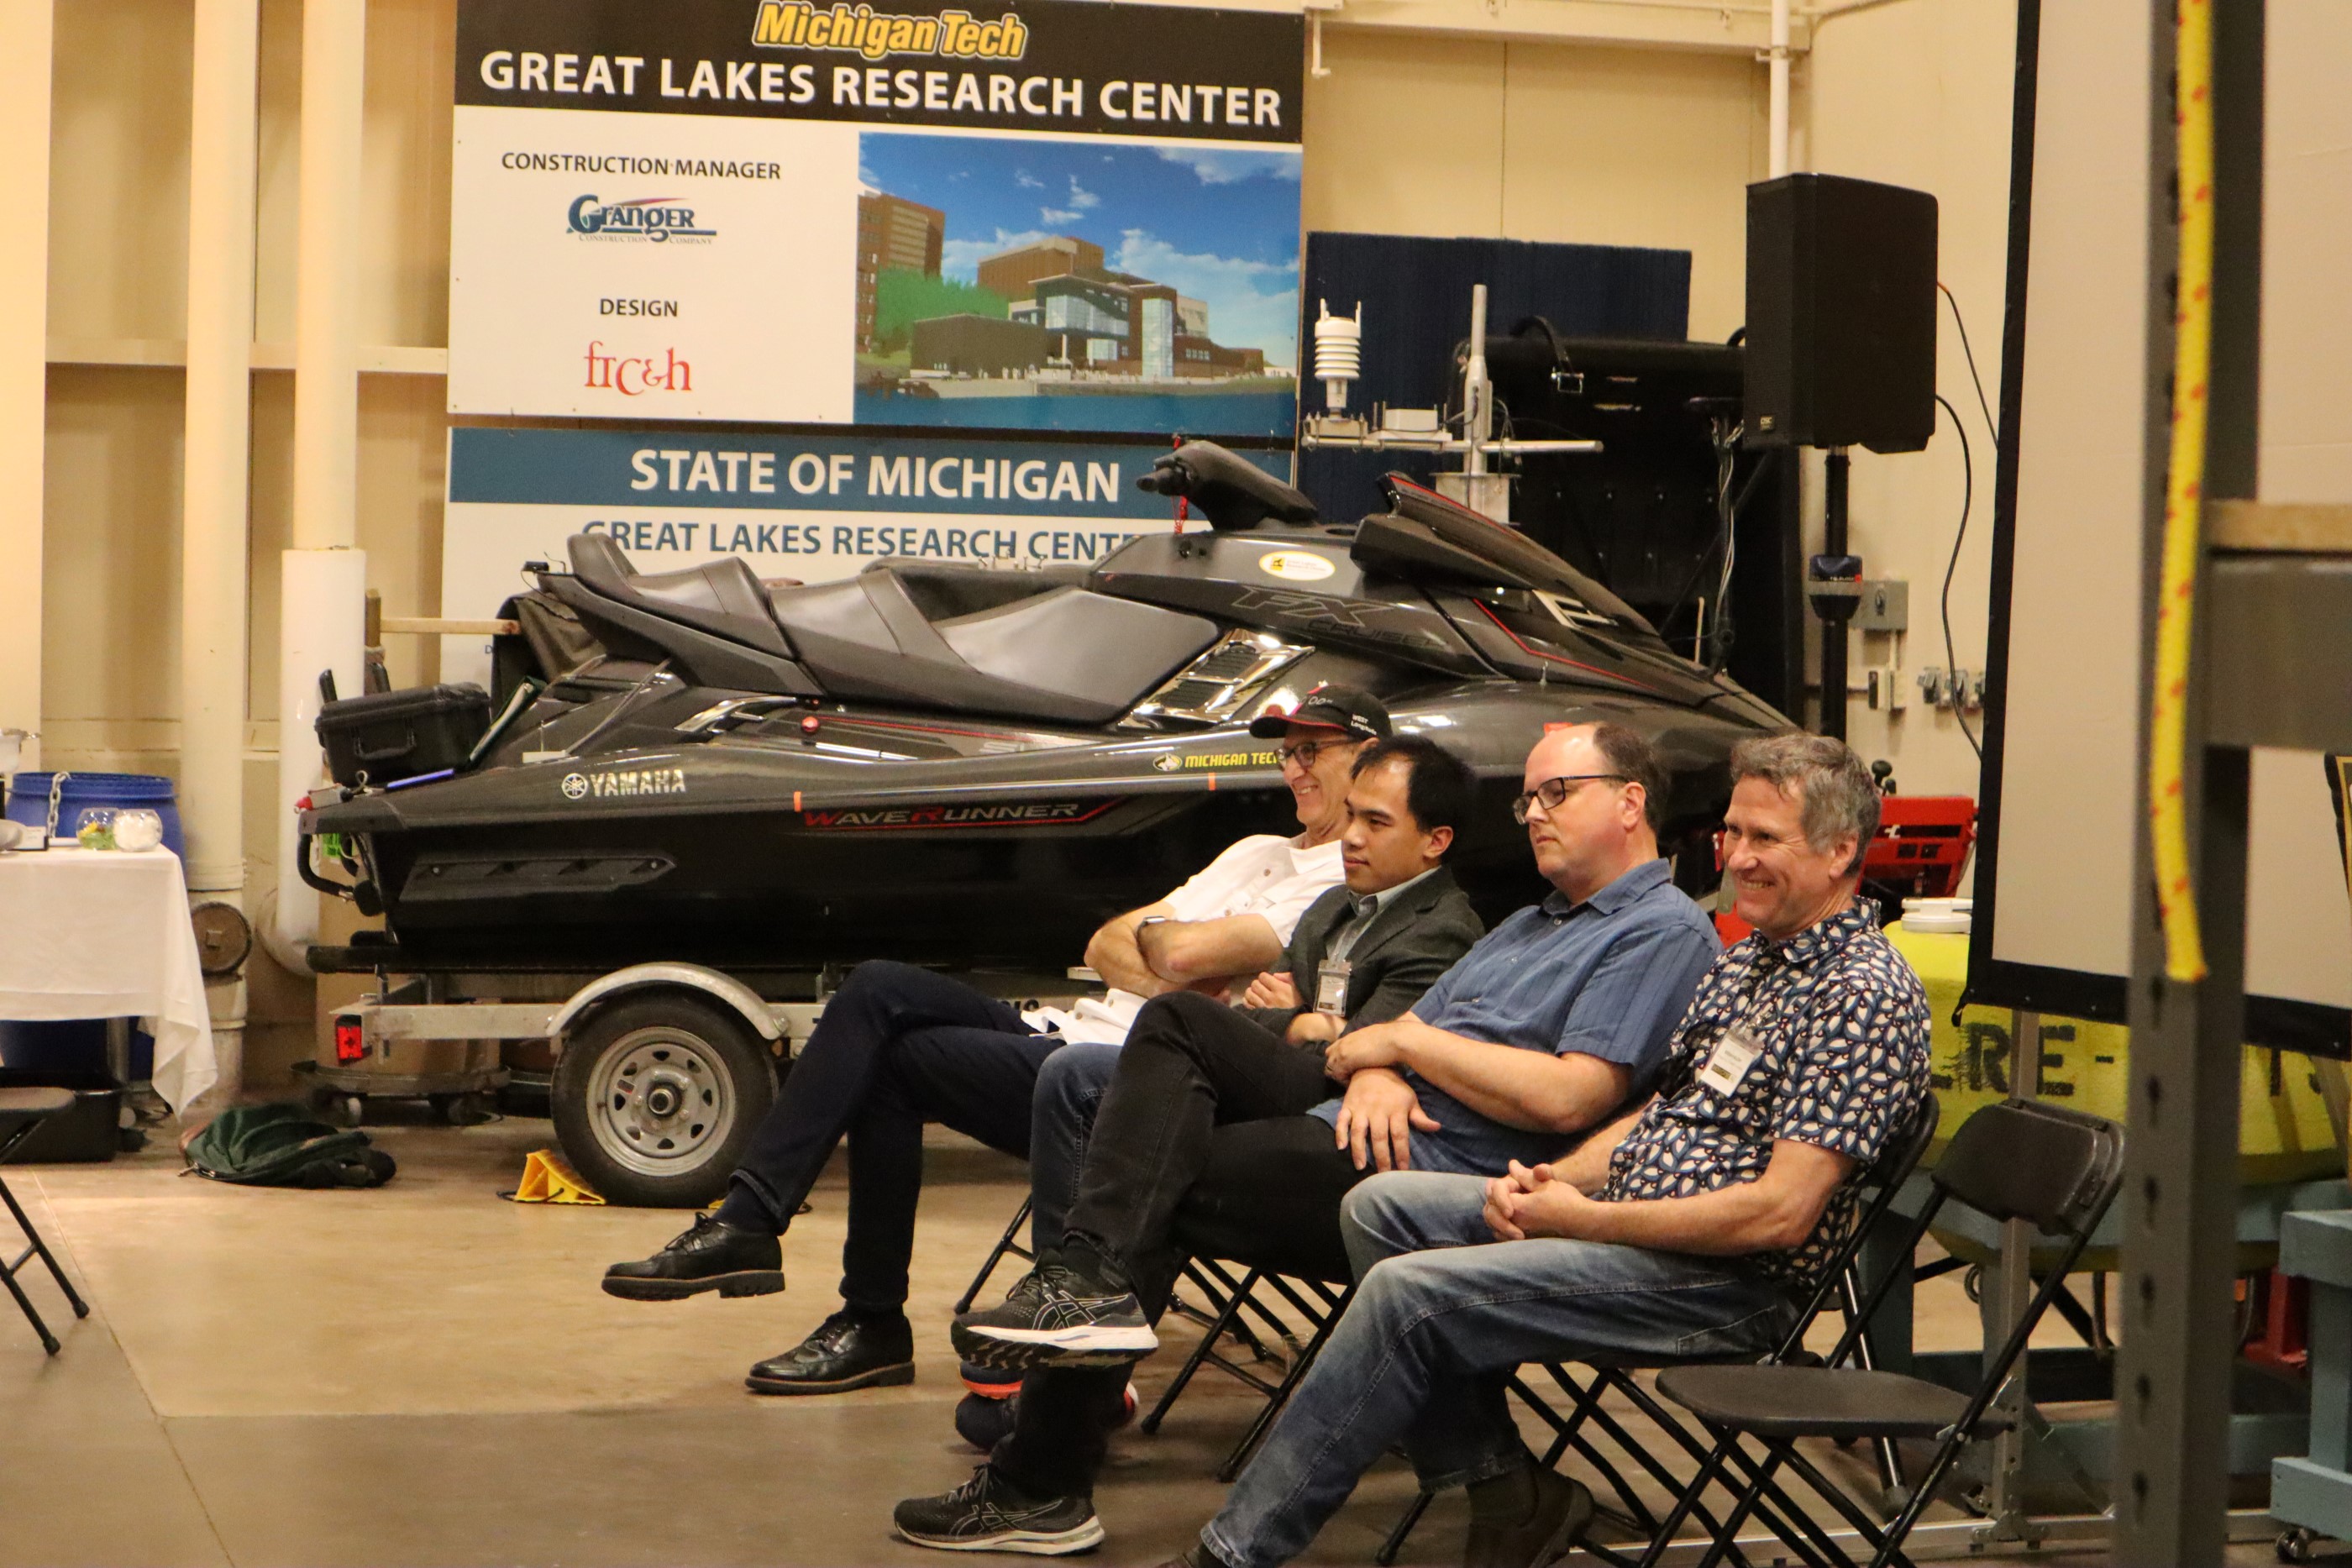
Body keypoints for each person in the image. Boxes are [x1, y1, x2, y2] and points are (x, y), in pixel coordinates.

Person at [889, 721, 1724, 1556]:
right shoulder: (1531, 921)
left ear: (1630, 801)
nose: (1533, 814)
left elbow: (1572, 1096)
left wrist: (1398, 1048)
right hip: (1358, 1109)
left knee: (1145, 1175)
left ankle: (1040, 1470)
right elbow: (1400, 1030)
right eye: (1528, 796)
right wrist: (1380, 1064)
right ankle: (1081, 1318)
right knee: (1173, 1026)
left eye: (1557, 793)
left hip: (1432, 1168)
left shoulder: (1658, 929)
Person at [1160, 732, 1935, 1568]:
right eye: (1731, 834)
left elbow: (1781, 1214)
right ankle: (1505, 1492)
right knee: (1381, 1206)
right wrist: (1550, 1180)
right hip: (1627, 1222)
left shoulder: (1862, 995)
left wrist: (1590, 1221)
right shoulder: (1751, 959)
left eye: (1764, 839)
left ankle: (1234, 1554)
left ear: (1840, 850)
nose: (1738, 858)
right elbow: (1665, 1115)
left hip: (1724, 1281)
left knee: (1406, 1293)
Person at [598, 684, 1392, 1399]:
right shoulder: (1255, 852)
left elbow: (1171, 948)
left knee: (891, 1058)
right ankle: (768, 1235)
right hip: (1073, 1034)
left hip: (1120, 1085)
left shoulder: (1337, 879)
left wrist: (1166, 953)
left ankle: (852, 1304)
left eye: (1313, 750)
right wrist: (1172, 974)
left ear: (1369, 761)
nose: (1294, 768)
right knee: (875, 991)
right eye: (1287, 751)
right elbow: (1106, 941)